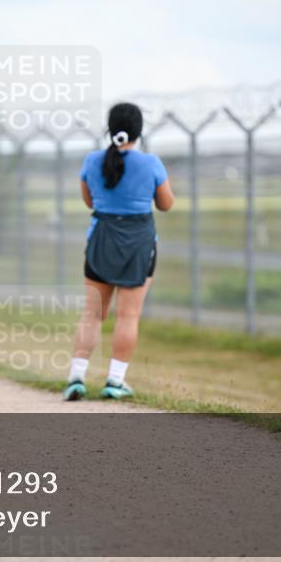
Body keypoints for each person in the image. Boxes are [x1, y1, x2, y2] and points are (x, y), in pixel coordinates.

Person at [64, 103, 174, 401]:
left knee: (93, 314)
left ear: (110, 128)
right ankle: (115, 381)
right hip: (139, 244)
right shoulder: (151, 163)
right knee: (128, 316)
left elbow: (90, 202)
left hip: (100, 240)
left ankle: (76, 377)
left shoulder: (91, 160)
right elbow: (165, 204)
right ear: (139, 131)